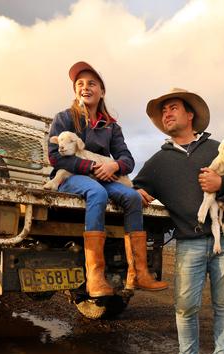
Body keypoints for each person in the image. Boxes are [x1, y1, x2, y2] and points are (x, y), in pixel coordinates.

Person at [133, 88, 224, 354]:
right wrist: (139, 193)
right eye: (163, 112)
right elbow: (137, 187)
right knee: (185, 307)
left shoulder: (218, 149)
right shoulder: (159, 161)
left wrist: (221, 184)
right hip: (189, 241)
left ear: (190, 115)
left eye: (173, 108)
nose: (166, 114)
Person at [48, 61, 168, 297]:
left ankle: (138, 274)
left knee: (133, 197)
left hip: (105, 177)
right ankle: (95, 277)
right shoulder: (63, 118)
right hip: (71, 176)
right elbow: (55, 157)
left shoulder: (111, 127)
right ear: (75, 91)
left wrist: (114, 164)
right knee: (97, 192)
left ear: (102, 91)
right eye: (79, 84)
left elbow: (127, 159)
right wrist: (91, 167)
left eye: (92, 83)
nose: (85, 87)